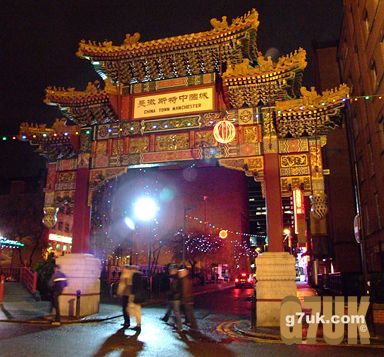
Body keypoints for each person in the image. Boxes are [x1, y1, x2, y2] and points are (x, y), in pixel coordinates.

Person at [160, 266, 183, 331]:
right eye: (170, 270)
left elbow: (175, 288)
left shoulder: (176, 278)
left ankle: (180, 327)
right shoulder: (173, 277)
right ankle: (173, 323)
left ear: (175, 270)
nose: (170, 271)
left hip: (175, 297)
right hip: (172, 297)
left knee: (176, 312)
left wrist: (170, 292)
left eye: (171, 270)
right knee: (171, 309)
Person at [130, 266, 146, 331]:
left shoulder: (135, 276)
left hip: (136, 295)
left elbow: (134, 286)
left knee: (137, 310)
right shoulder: (140, 276)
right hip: (139, 294)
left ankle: (138, 325)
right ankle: (138, 324)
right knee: (137, 310)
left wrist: (132, 294)